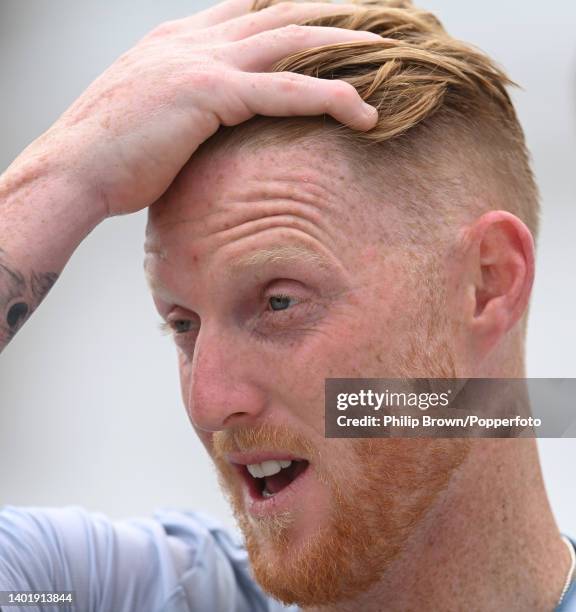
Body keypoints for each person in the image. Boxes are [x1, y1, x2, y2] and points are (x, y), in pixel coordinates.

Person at [0, 0, 573, 610]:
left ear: (487, 282)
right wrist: (63, 173)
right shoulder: (105, 592)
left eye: (278, 303)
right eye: (182, 324)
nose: (210, 403)